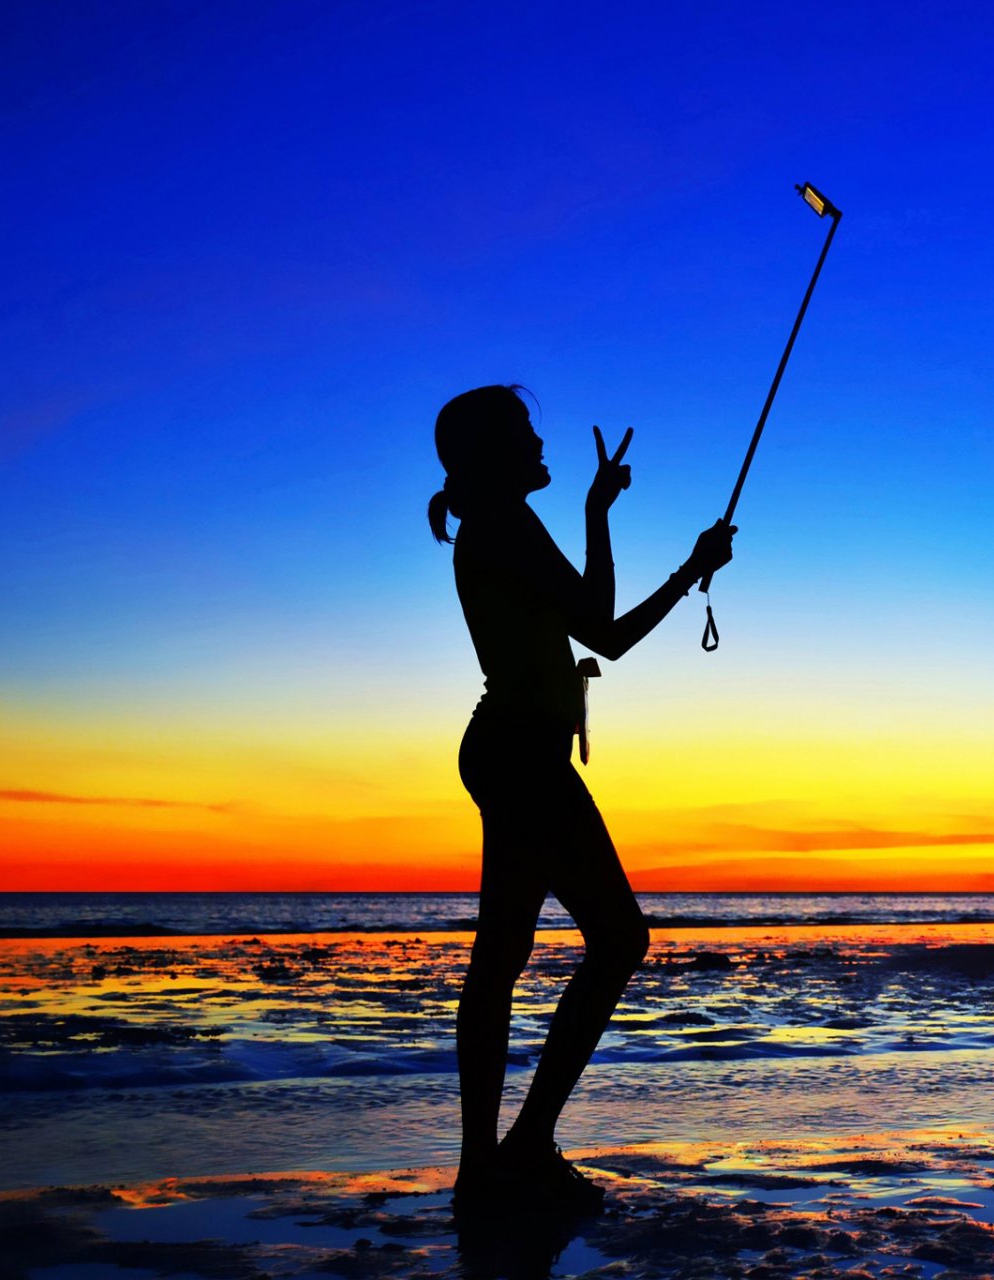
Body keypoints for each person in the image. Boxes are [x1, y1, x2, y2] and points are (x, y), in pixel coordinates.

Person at [428, 384, 734, 1216]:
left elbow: (599, 631)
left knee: (506, 957)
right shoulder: (502, 526)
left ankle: (489, 1164)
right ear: (493, 454)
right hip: (523, 755)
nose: (539, 441)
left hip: (514, 751)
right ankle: (512, 1152)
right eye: (524, 432)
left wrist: (650, 546)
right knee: (614, 940)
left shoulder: (498, 525)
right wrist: (672, 559)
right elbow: (602, 627)